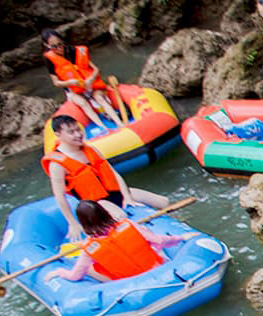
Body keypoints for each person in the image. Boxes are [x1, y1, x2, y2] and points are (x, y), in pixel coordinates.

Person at [44, 115, 171, 241]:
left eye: (78, 130)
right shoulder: (57, 164)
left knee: (164, 202)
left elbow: (114, 174)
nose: (78, 134)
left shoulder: (91, 149)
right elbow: (59, 196)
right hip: (97, 204)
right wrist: (73, 223)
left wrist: (127, 197)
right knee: (121, 216)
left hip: (116, 193)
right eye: (71, 132)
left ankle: (171, 228)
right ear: (58, 134)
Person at [47, 201, 195, 282]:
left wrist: (59, 272)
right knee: (151, 244)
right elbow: (159, 240)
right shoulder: (128, 225)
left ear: (84, 224)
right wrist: (181, 238)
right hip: (158, 268)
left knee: (90, 268)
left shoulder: (89, 249)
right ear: (105, 212)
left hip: (130, 283)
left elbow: (75, 276)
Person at [40, 30, 122, 130]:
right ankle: (103, 128)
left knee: (100, 98)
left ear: (62, 41)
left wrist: (91, 79)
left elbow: (96, 69)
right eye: (54, 46)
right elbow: (56, 83)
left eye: (60, 44)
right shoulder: (49, 59)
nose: (58, 48)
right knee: (83, 103)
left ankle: (119, 123)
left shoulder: (76, 51)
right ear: (47, 45)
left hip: (91, 85)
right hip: (73, 89)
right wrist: (70, 82)